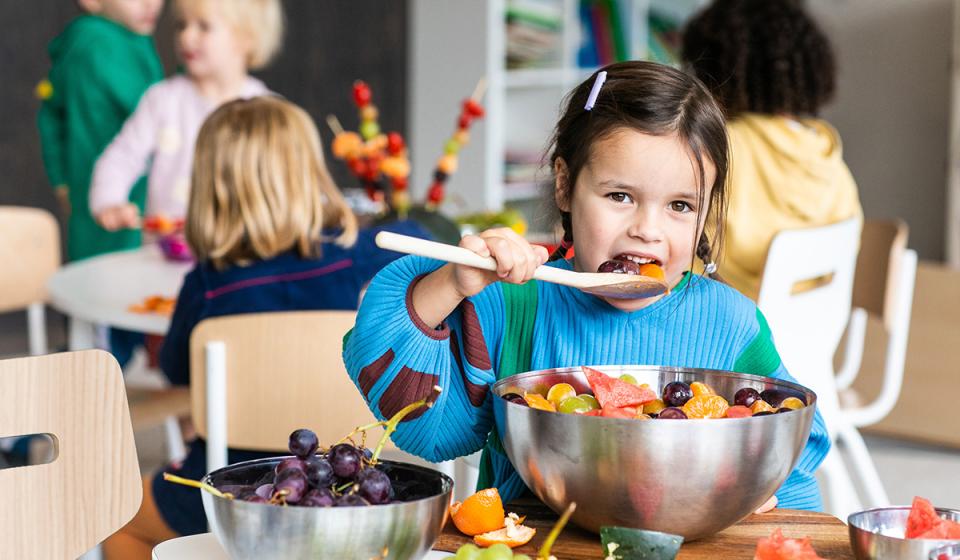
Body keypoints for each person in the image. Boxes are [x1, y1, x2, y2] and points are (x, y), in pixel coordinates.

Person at [343, 61, 830, 512]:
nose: (648, 229)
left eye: (680, 205)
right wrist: (453, 281)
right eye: (620, 196)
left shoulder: (729, 323)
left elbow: (793, 456)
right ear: (564, 185)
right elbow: (428, 432)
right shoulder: (515, 303)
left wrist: (768, 501)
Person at [102, 96, 429, 558]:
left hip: (228, 486)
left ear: (210, 189)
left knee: (119, 519)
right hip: (336, 479)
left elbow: (178, 372)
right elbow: (428, 241)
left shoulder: (206, 283)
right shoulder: (355, 256)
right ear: (309, 176)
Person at [682, 0, 863, 300]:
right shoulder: (824, 149)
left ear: (713, 72)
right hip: (810, 336)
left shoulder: (721, 146)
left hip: (728, 330)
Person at [90, 0, 283, 230]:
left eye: (203, 26)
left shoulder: (268, 110)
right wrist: (109, 201)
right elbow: (121, 157)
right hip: (164, 255)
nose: (187, 36)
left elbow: (292, 179)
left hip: (242, 255)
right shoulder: (162, 100)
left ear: (246, 38)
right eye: (182, 25)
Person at [37, 0, 164, 260]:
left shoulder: (128, 36)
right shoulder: (99, 43)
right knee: (114, 279)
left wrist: (59, 179)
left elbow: (50, 111)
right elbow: (158, 113)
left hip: (93, 183)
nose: (151, 3)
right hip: (117, 193)